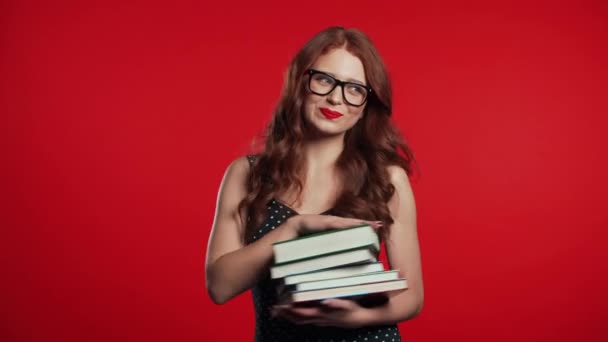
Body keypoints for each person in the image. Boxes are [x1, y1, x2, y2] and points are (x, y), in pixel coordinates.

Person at [205, 26, 423, 342]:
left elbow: (412, 295)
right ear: (301, 83)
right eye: (324, 80)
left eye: (355, 89)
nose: (336, 97)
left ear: (366, 105)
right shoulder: (247, 174)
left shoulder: (386, 178)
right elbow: (220, 287)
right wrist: (291, 231)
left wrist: (357, 316)